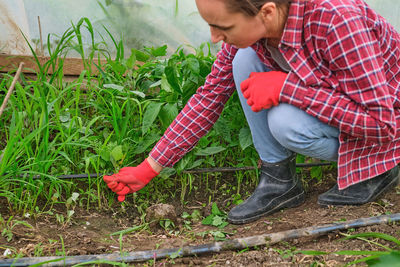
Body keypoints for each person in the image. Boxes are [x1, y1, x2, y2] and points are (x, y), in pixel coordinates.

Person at [104, 0, 400, 225]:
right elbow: (210, 97)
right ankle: (278, 181)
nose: (213, 37)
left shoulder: (336, 21)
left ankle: (379, 167)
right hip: (345, 110)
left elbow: (382, 122)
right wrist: (150, 167)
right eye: (210, 25)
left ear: (267, 12)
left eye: (224, 27)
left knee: (286, 124)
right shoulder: (259, 30)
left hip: (387, 124)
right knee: (244, 60)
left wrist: (287, 88)